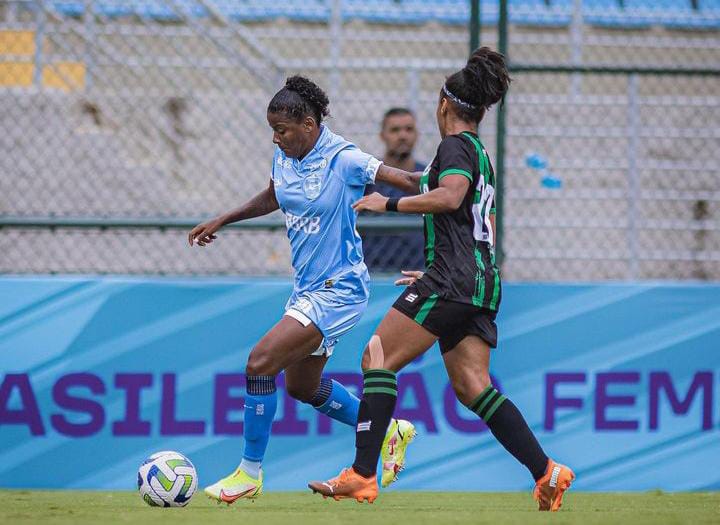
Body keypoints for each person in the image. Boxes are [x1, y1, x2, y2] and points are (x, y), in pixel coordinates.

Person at [308, 48, 575, 511]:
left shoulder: (454, 147)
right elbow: (428, 183)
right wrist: (366, 169)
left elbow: (448, 197)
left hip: (454, 278)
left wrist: (384, 203)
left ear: (443, 104)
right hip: (479, 278)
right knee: (474, 386)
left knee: (377, 358)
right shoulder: (476, 152)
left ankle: (363, 474)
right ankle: (547, 471)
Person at [188, 76, 415, 503]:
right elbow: (275, 195)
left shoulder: (344, 158)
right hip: (307, 289)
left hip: (339, 289)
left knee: (259, 363)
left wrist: (453, 184)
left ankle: (249, 473)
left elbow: (400, 178)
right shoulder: (285, 156)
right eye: (273, 131)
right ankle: (388, 430)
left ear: (309, 125)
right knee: (302, 388)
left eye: (283, 131)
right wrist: (224, 218)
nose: (276, 138)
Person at [362, 108, 425, 272]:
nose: (403, 135)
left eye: (409, 129)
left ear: (417, 134)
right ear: (382, 135)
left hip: (418, 271)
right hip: (373, 272)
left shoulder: (427, 178)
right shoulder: (367, 177)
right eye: (395, 130)